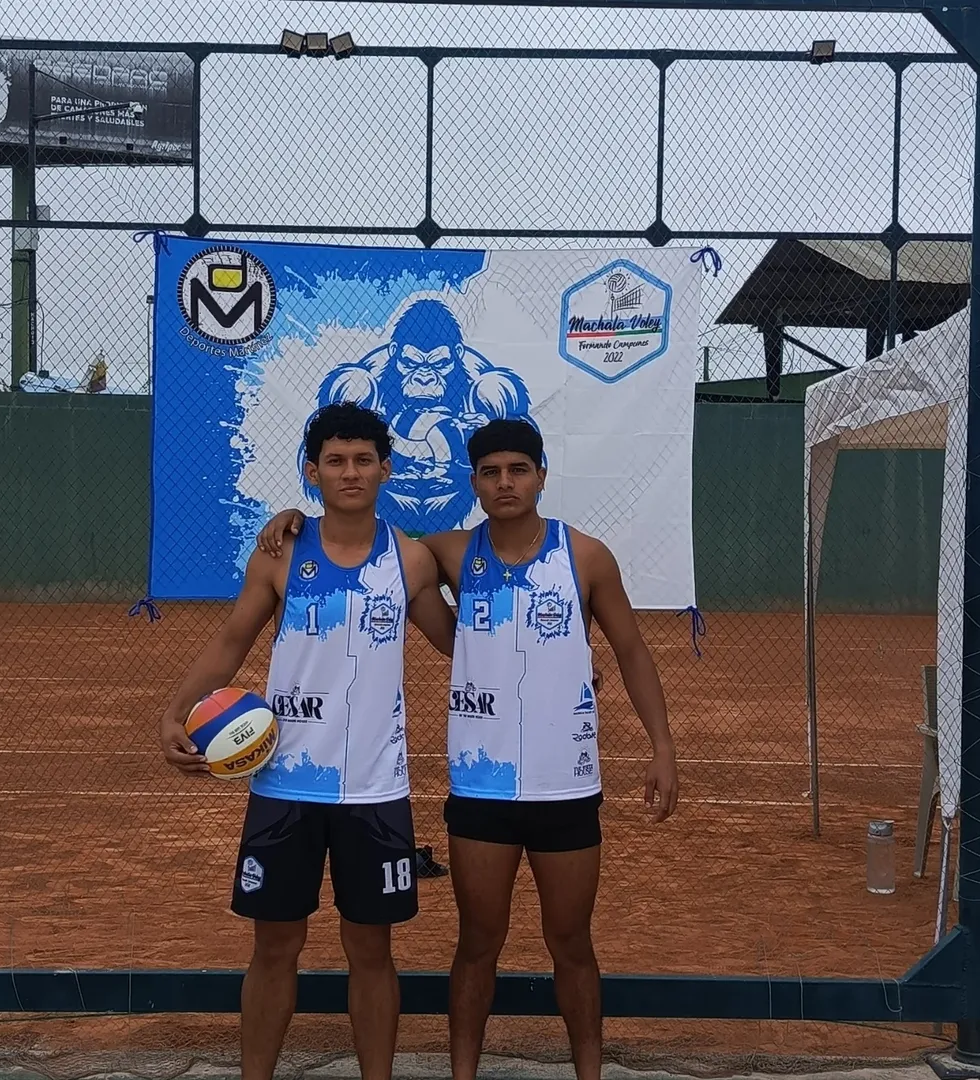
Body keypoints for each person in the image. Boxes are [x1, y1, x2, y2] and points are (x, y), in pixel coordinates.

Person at [257, 416, 678, 1080]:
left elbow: (631, 650)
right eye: (490, 472)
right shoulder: (446, 553)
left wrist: (661, 746)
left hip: (565, 787)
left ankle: (590, 1073)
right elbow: (360, 536)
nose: (505, 483)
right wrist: (293, 518)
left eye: (518, 470)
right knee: (478, 944)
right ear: (474, 481)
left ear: (542, 474)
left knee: (571, 944)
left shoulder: (587, 555)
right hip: (481, 792)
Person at [159, 401, 456, 1080]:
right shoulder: (280, 553)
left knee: (372, 951)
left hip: (376, 790)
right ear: (311, 471)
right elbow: (232, 640)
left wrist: (555, 664)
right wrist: (175, 712)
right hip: (285, 784)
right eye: (334, 461)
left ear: (386, 467)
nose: (350, 472)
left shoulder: (410, 561)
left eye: (362, 460)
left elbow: (455, 645)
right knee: (274, 947)